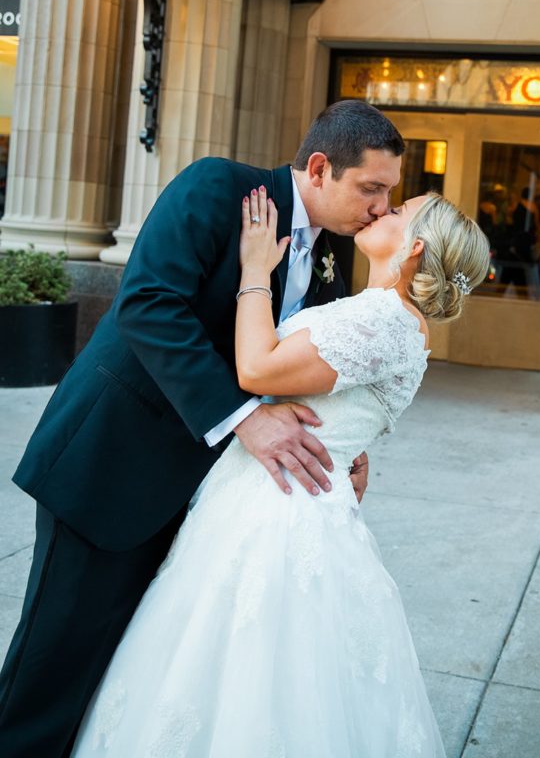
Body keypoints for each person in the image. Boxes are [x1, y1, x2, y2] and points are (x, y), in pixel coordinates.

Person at [0, 100, 404, 758]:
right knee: (52, 670)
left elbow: (292, 363)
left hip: (203, 499)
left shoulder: (328, 258)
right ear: (322, 168)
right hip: (111, 469)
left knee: (124, 672)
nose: (382, 207)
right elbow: (148, 303)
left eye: (389, 194)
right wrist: (246, 420)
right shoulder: (220, 188)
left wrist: (340, 443)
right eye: (372, 188)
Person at [69, 189, 491, 756]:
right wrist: (348, 449)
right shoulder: (385, 315)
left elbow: (256, 366)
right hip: (283, 491)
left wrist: (254, 271)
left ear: (413, 246)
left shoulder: (383, 316)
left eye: (395, 211)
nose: (380, 210)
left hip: (280, 512)